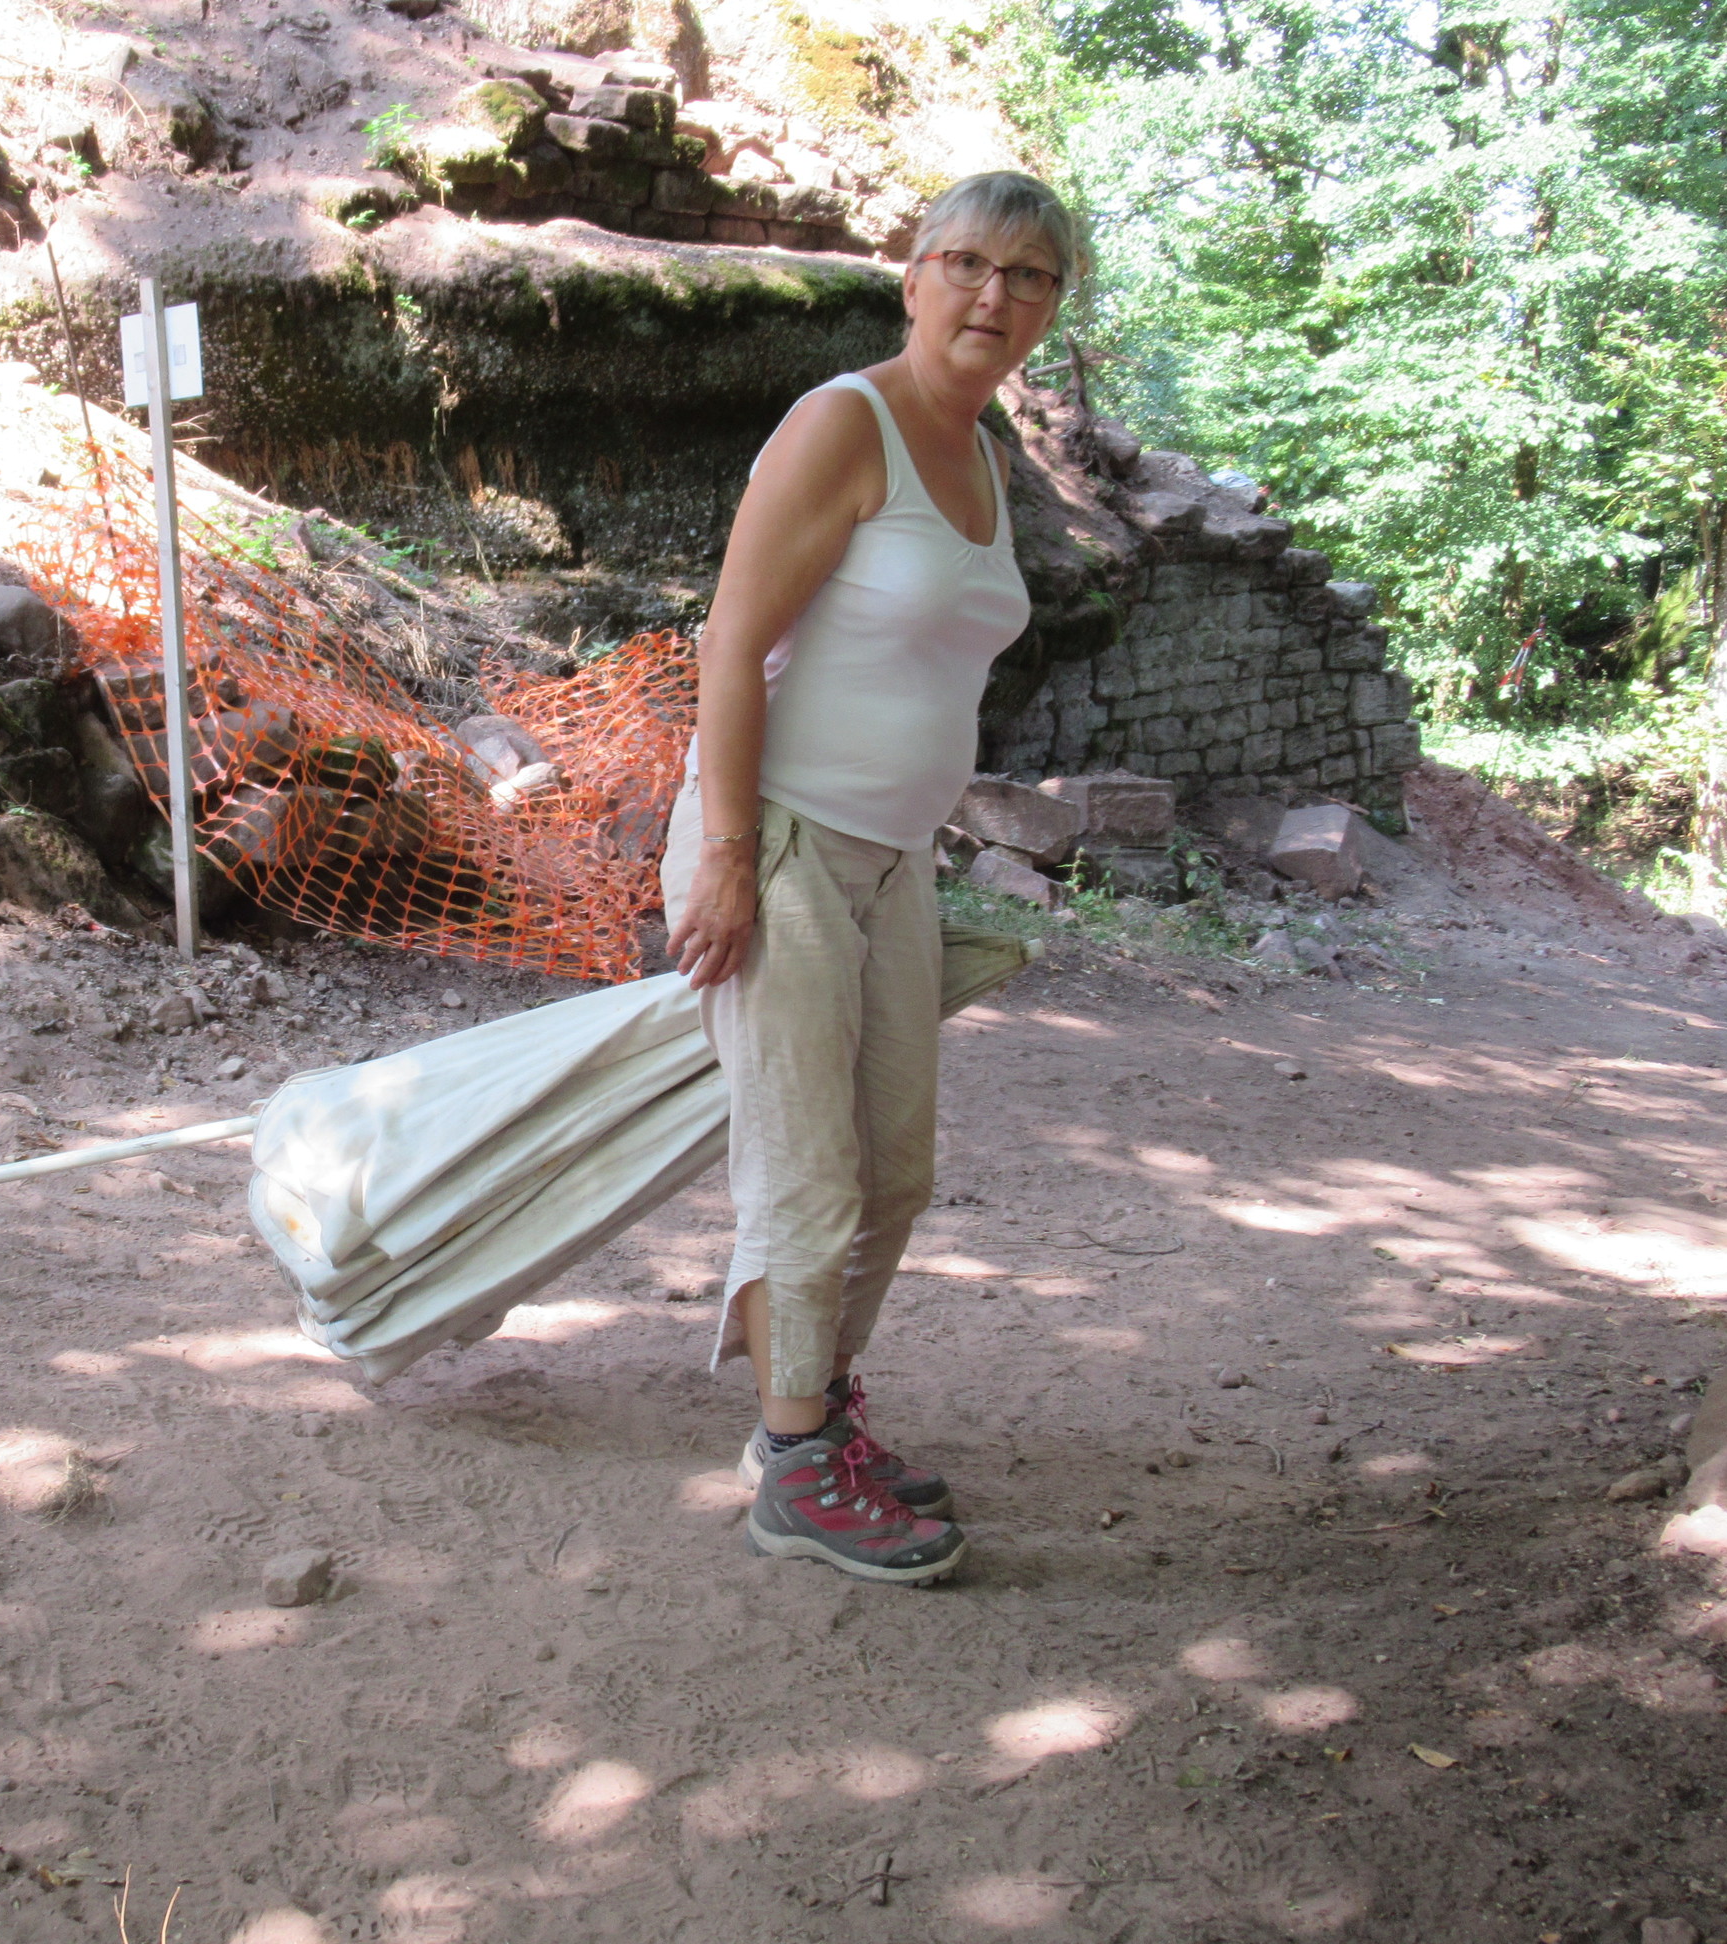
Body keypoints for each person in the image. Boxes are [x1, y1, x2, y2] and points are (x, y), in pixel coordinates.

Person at [659, 171, 1081, 1586]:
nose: (993, 295)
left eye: (1029, 276)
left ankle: (818, 1410)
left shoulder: (989, 457)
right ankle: (792, 1467)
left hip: (895, 861)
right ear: (912, 280)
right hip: (775, 838)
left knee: (895, 1169)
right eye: (966, 263)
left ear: (1051, 308)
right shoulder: (846, 424)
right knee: (807, 1166)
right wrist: (726, 856)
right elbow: (730, 644)